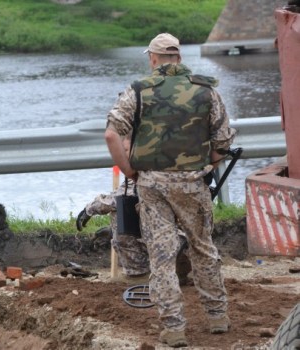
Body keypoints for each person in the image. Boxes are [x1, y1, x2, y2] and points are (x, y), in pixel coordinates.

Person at [104, 33, 236, 347]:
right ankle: (217, 317)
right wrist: (206, 166)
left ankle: (174, 329)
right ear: (178, 57)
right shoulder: (206, 90)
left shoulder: (137, 91)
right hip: (192, 183)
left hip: (151, 185)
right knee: (203, 249)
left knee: (161, 258)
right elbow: (224, 142)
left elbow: (111, 135)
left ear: (153, 58)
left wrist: (130, 171)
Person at [76, 137, 150, 284]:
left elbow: (118, 200)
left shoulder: (144, 171)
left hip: (168, 244)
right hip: (181, 238)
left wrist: (89, 209)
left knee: (120, 209)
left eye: (126, 151)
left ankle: (138, 274)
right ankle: (180, 272)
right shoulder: (167, 163)